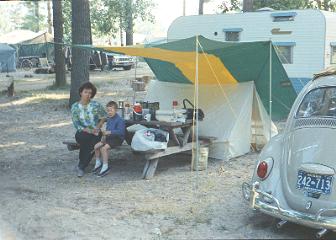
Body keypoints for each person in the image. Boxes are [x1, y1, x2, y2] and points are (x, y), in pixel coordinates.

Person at [71, 82, 106, 177]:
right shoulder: (75, 107)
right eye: (86, 92)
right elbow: (76, 124)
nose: (88, 95)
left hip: (96, 132)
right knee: (86, 139)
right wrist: (89, 131)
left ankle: (81, 166)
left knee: (93, 140)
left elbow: (104, 116)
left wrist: (98, 127)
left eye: (90, 93)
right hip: (82, 132)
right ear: (81, 93)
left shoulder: (96, 105)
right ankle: (83, 165)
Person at [93, 101, 125, 177]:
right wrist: (104, 136)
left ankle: (105, 166)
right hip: (110, 137)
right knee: (96, 146)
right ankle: (98, 163)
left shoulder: (120, 120)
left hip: (117, 139)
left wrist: (109, 132)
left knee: (103, 149)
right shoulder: (109, 119)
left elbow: (121, 132)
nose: (109, 112)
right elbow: (107, 130)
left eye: (111, 110)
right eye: (108, 111)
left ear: (116, 110)